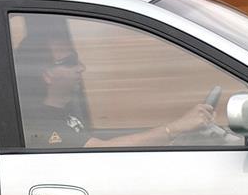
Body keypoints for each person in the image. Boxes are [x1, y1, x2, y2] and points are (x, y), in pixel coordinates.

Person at [16, 30, 215, 149]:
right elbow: (100, 150)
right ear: (47, 75)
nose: (81, 67)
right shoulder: (41, 124)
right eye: (70, 62)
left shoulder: (64, 111)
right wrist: (176, 128)